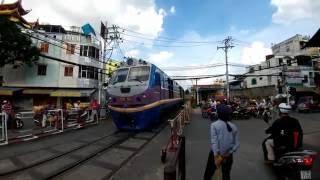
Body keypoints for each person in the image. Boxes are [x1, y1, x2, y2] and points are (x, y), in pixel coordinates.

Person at [204, 104, 240, 180]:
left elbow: (214, 142)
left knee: (208, 174)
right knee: (226, 175)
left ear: (218, 114)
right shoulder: (233, 126)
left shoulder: (214, 125)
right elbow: (236, 144)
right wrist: (228, 153)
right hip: (228, 156)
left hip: (216, 155)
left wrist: (217, 156)